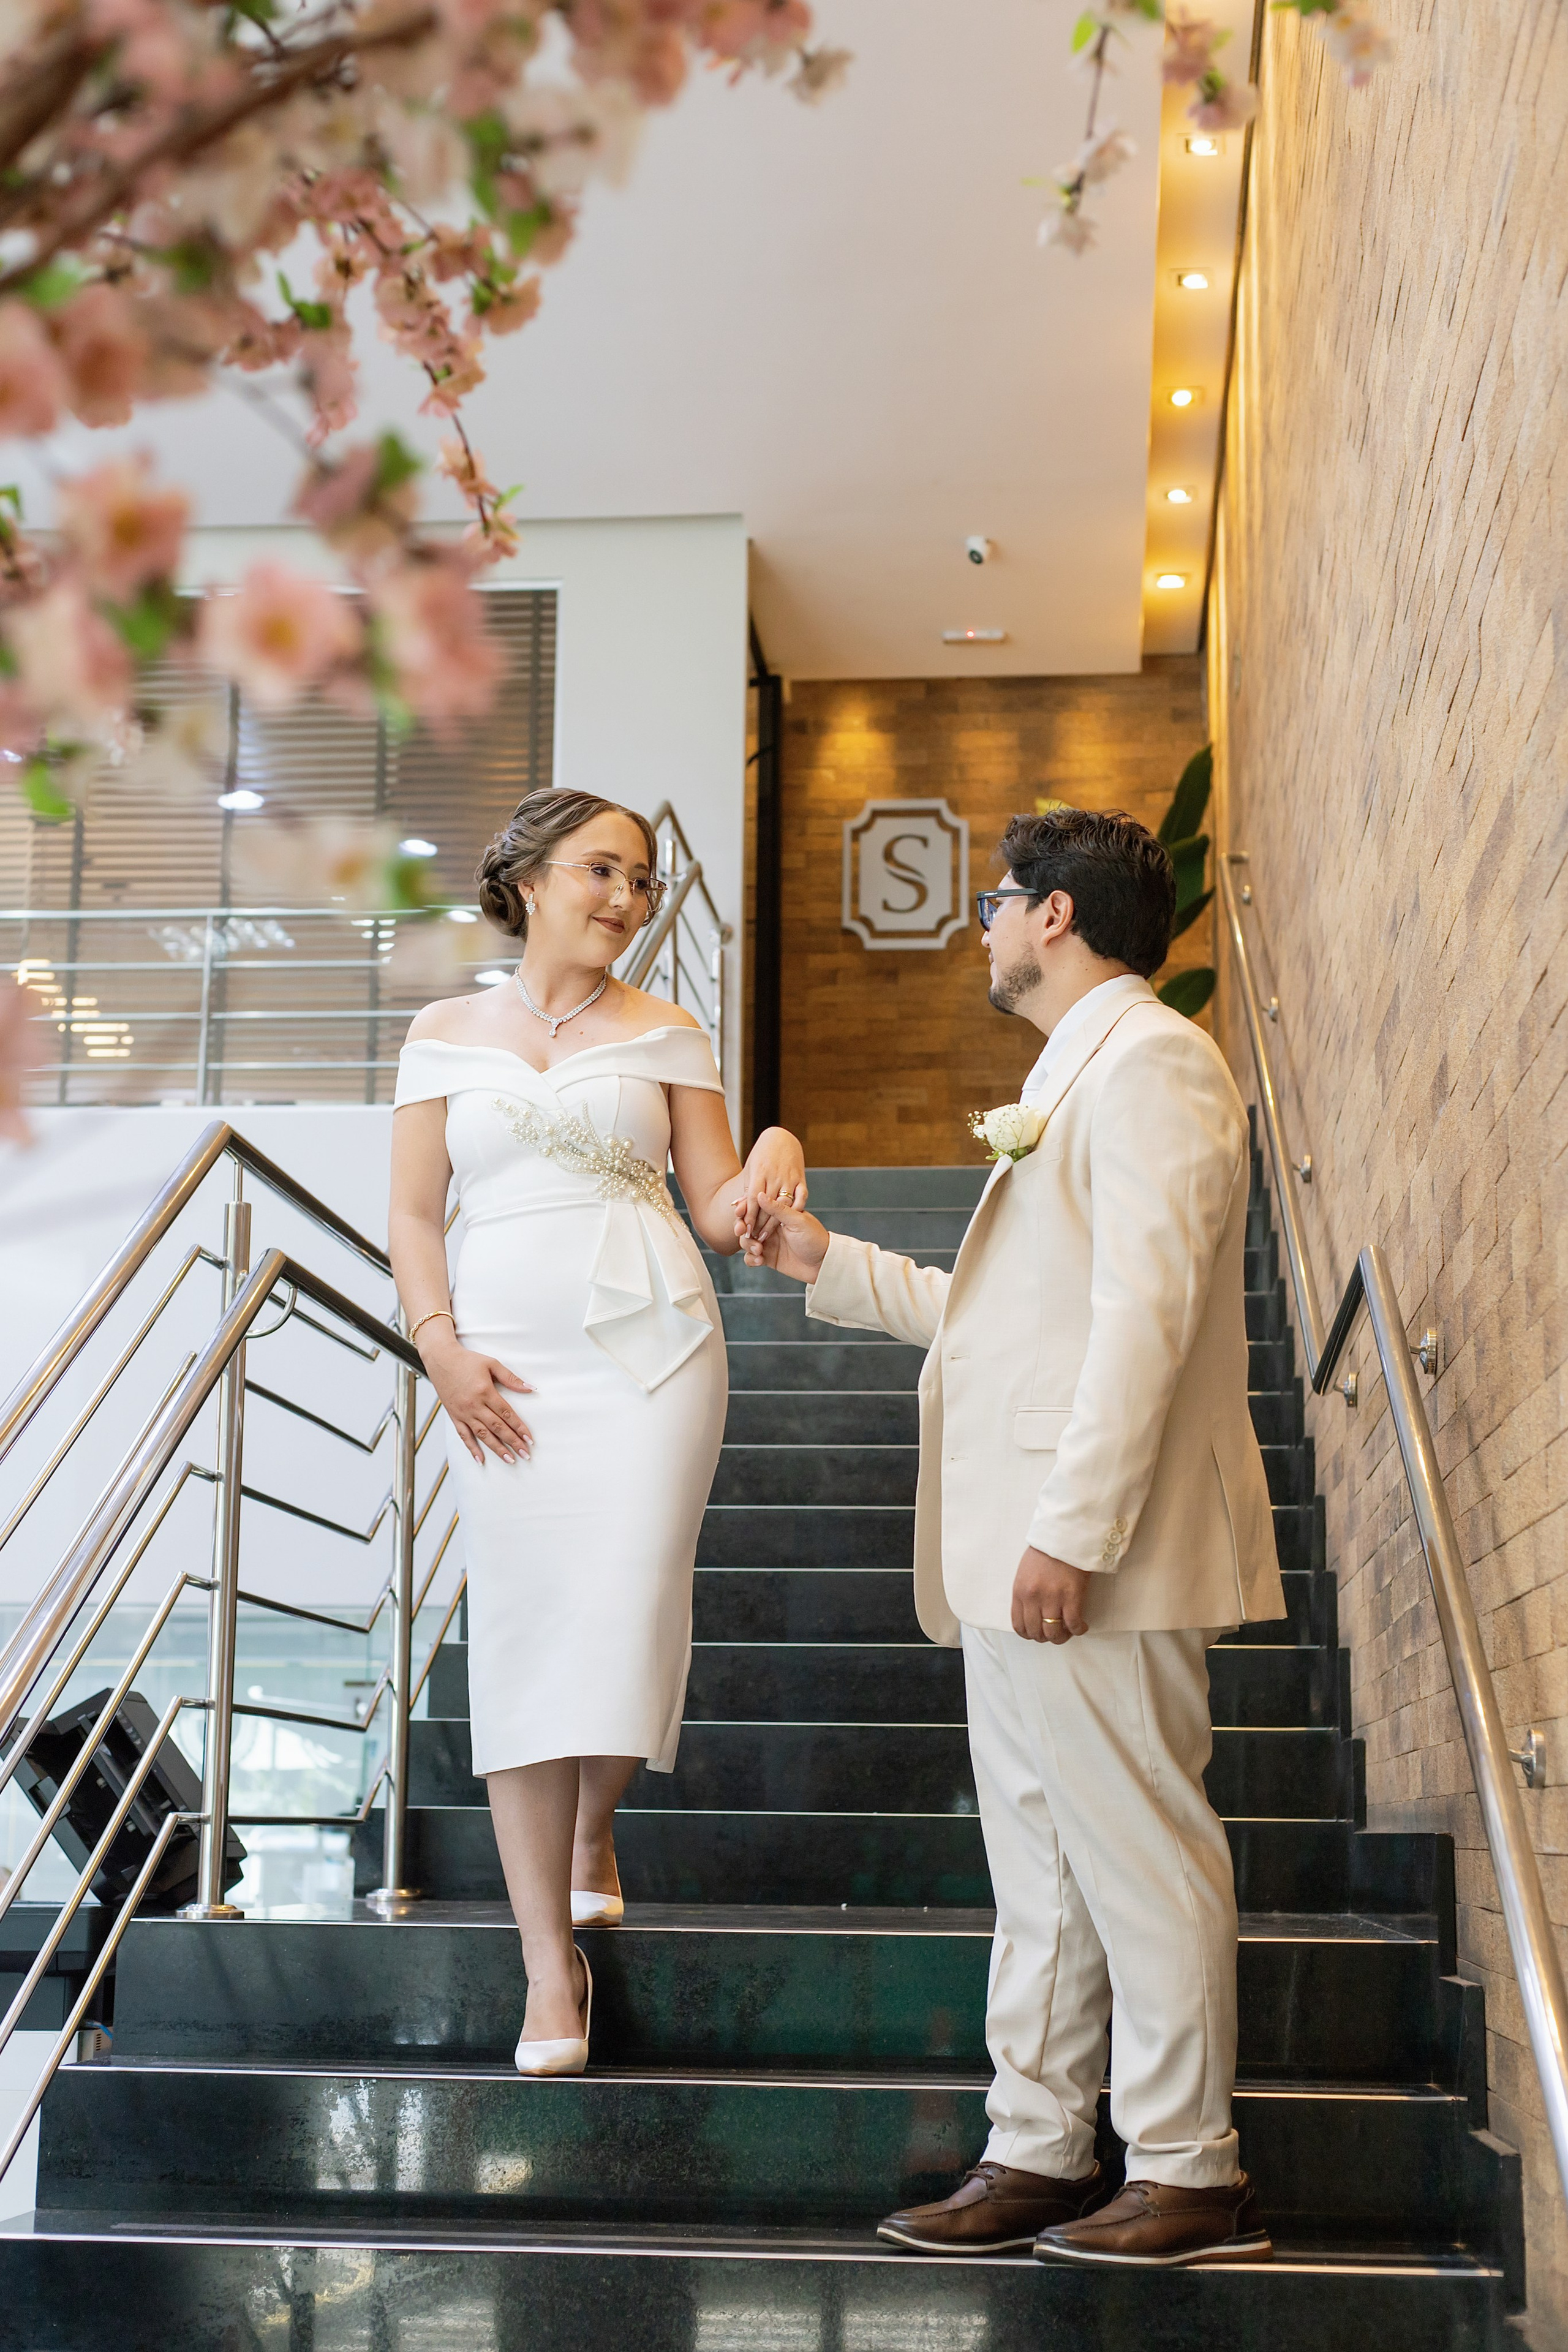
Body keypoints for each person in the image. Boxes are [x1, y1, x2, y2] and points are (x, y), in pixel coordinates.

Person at [740, 805, 1285, 2267]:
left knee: (1139, 1850)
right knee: (1039, 1862)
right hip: (1013, 1556)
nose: (979, 926)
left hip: (1085, 1554)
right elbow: (1011, 1326)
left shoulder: (1157, 1064)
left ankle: (1187, 2168)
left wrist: (1075, 1531)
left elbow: (1145, 1322)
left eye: (991, 900)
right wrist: (821, 1261)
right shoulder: (1074, 1073)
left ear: (1051, 915)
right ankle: (1039, 2149)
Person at [390, 787, 805, 2076]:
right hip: (501, 1369)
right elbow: (413, 1216)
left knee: (629, 1614)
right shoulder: (442, 1033)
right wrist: (439, 1347)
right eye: (601, 871)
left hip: (652, 1355)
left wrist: (778, 1144)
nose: (625, 899)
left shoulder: (670, 1030)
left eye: (641, 882)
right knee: (519, 1644)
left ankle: (591, 1829)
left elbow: (717, 1197)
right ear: (526, 875)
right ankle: (544, 1969)